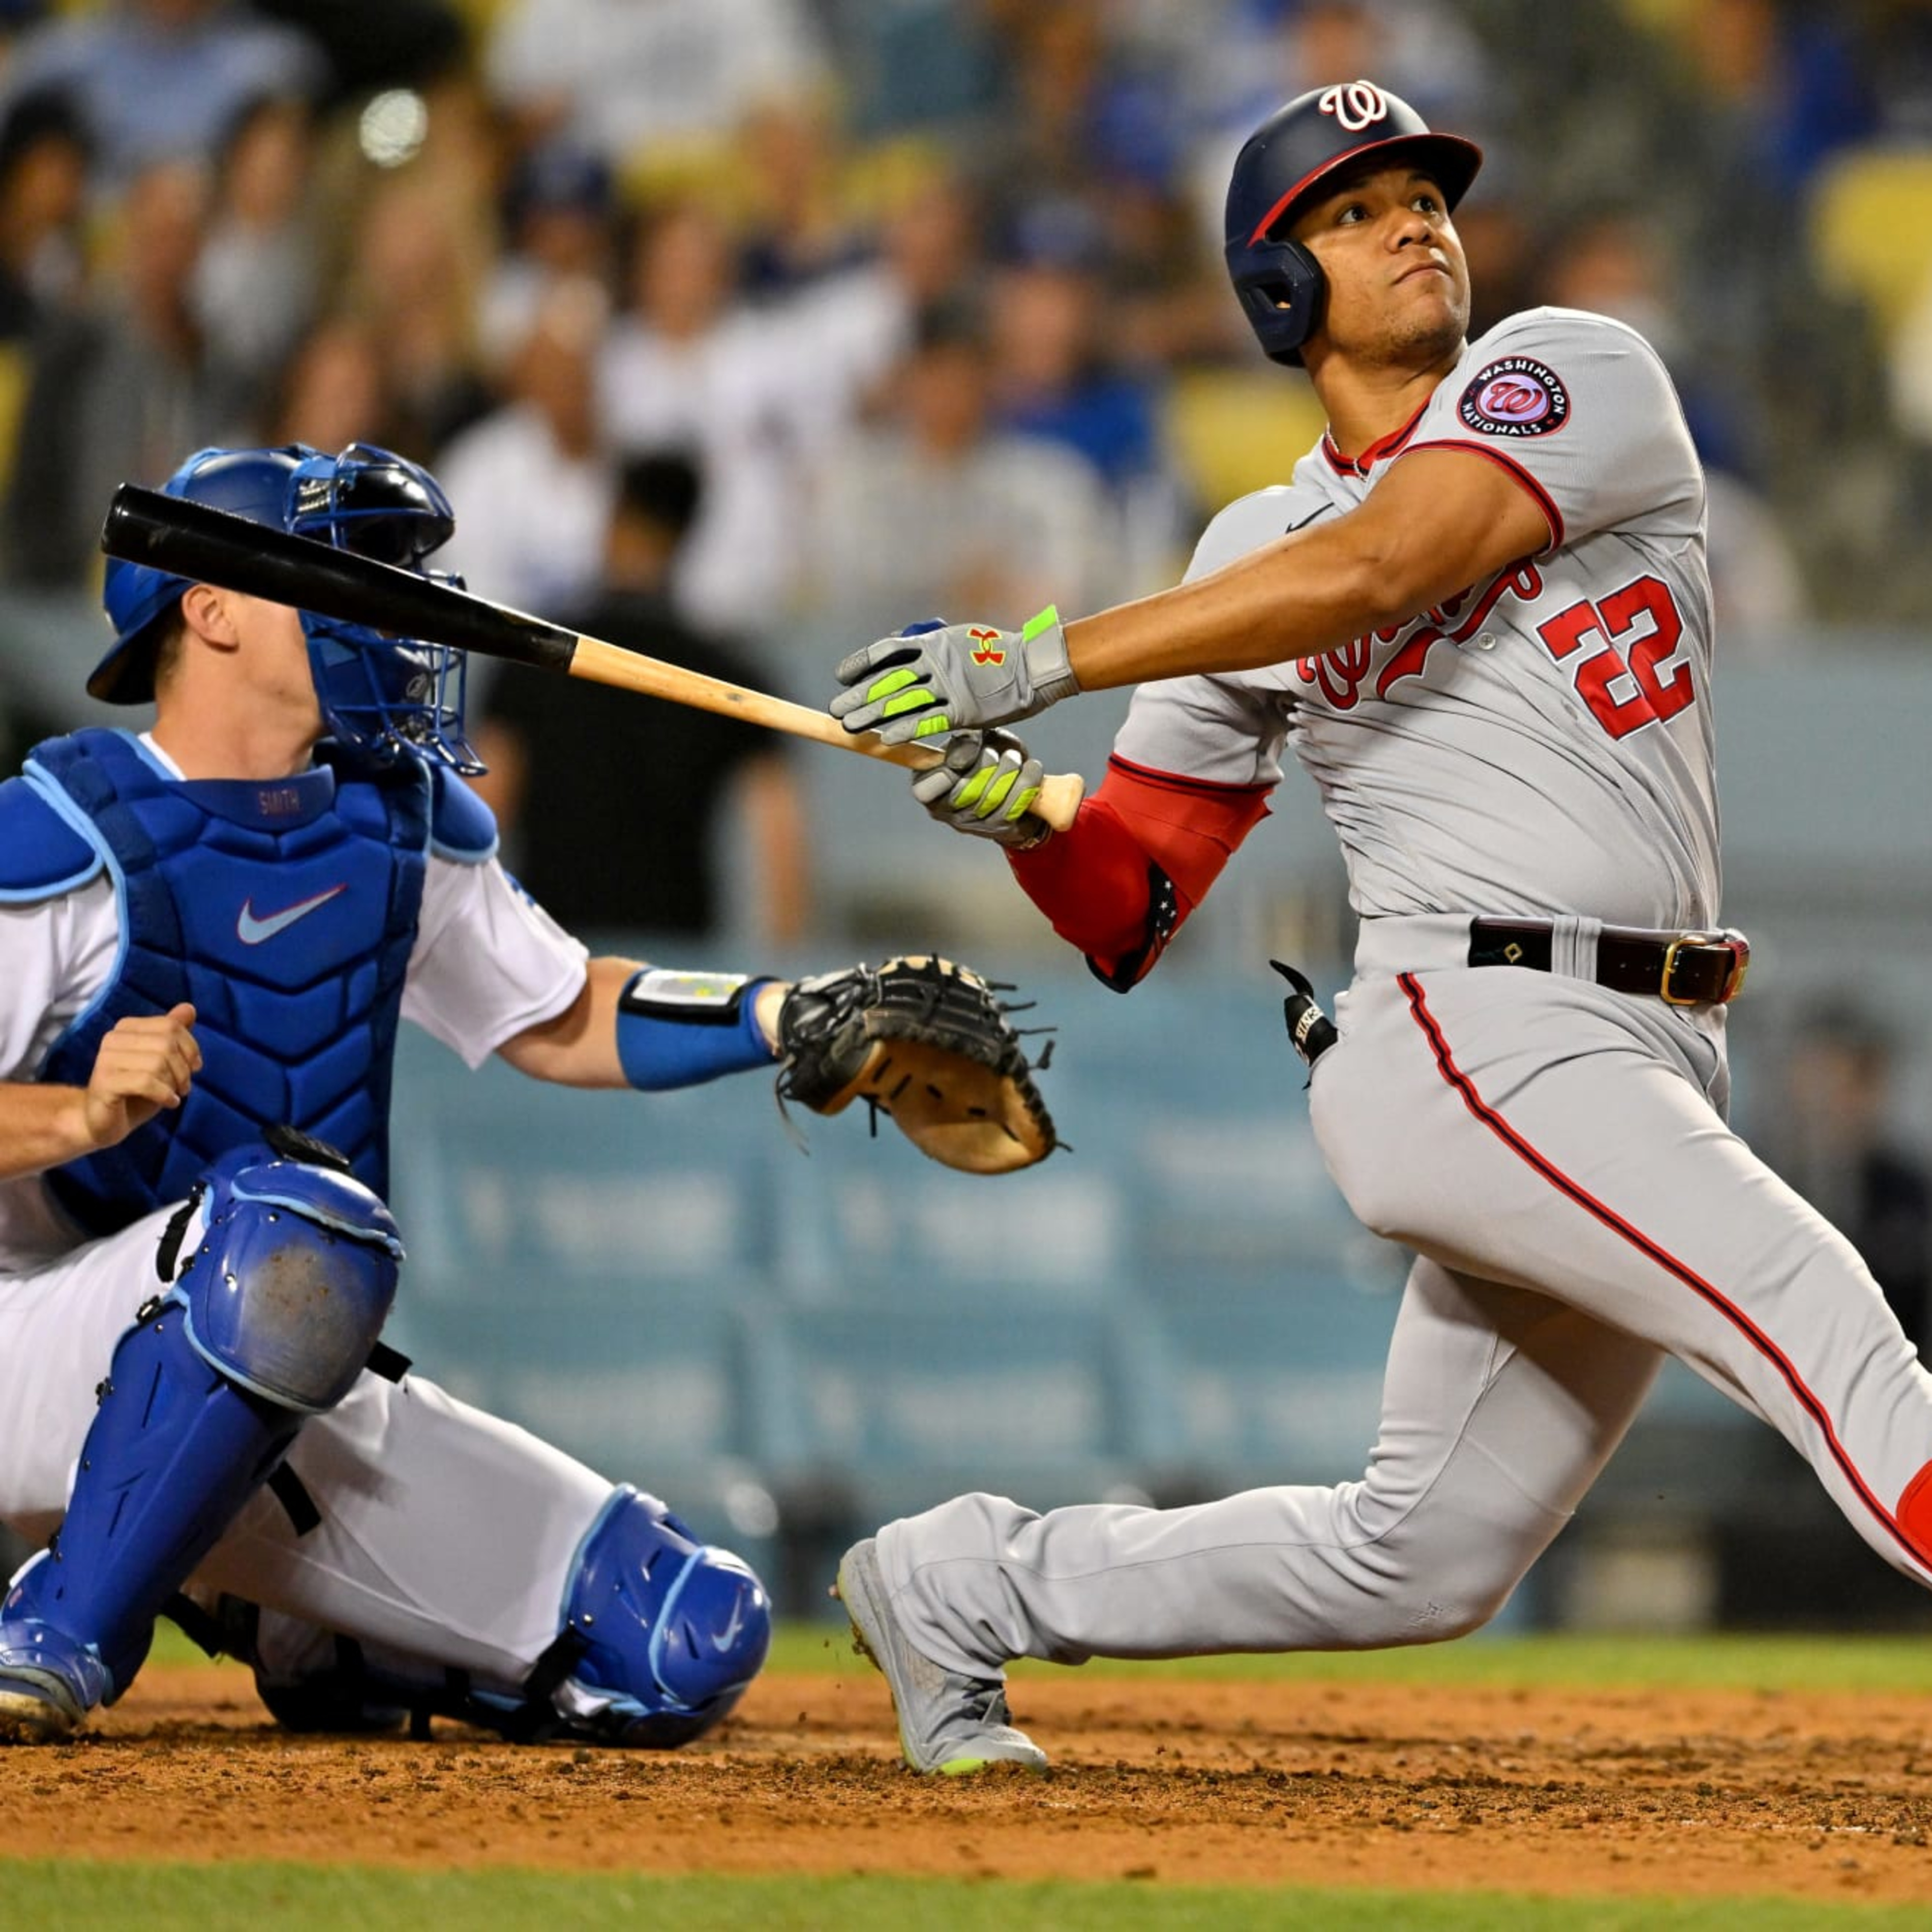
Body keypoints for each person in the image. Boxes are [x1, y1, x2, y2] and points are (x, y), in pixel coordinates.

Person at [823, 80, 1932, 1774]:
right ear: (1276, 289)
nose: (1416, 221)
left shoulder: (1575, 375)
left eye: (1424, 194)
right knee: (1818, 1309)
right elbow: (1133, 898)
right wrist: (1016, 808)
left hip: (1641, 1045)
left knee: (1420, 1550)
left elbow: (1387, 561)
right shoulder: (1245, 550)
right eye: (1355, 210)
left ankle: (963, 1584)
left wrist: (1038, 659)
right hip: (1463, 1028)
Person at [0, 439, 935, 1748]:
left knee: (681, 1636)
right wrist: (76, 1116)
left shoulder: (389, 817)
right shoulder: (65, 830)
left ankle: (310, 1629)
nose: (387, 611)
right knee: (299, 1228)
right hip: (32, 1344)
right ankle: (56, 1632)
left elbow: (563, 1011)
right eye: (341, 574)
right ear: (204, 608)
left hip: (262, 1366)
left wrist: (788, 1013)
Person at [470, 449, 809, 943]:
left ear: (614, 519)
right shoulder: (729, 675)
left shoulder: (531, 661)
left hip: (552, 959)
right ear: (685, 535)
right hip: (679, 967)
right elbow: (781, 847)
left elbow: (482, 816)